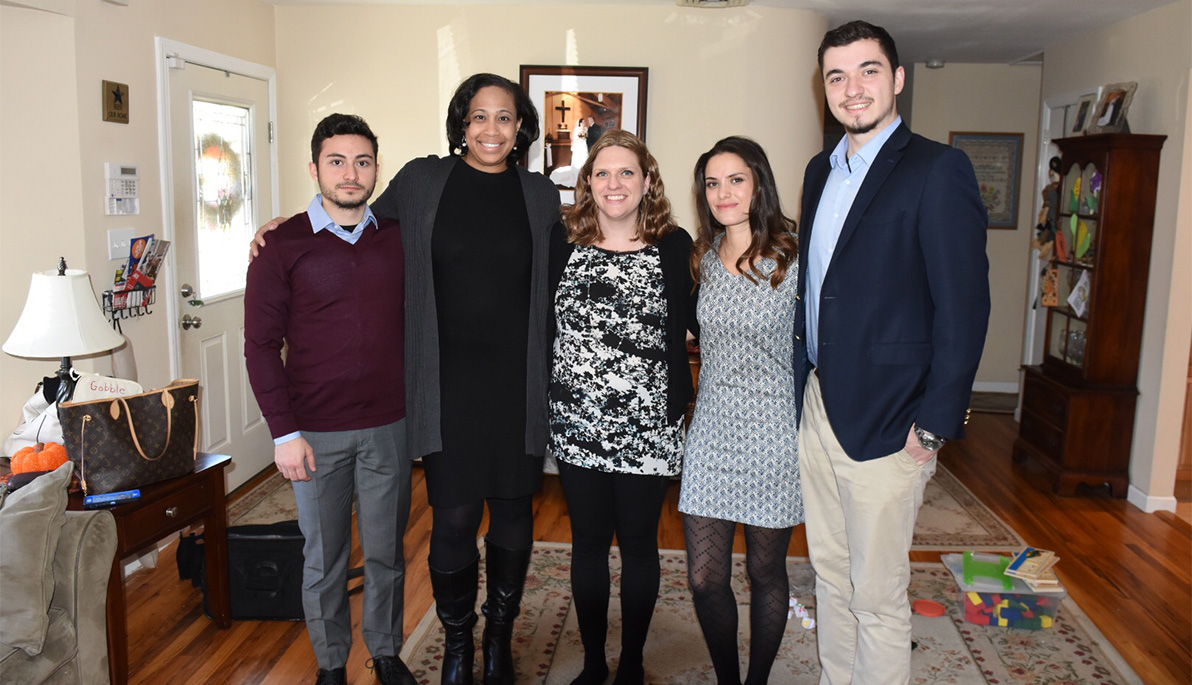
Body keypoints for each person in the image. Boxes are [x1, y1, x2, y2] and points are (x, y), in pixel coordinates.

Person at [253, 74, 560, 685]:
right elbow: (352, 214)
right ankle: (455, 646)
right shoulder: (423, 182)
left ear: (521, 126)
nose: (491, 129)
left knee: (514, 515)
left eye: (505, 118)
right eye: (478, 117)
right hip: (443, 389)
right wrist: (280, 226)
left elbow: (566, 273)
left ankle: (497, 642)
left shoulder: (540, 195)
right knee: (450, 520)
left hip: (517, 388)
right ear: (461, 124)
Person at [795, 21, 991, 685]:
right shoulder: (819, 171)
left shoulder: (939, 169)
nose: (854, 89)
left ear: (898, 78)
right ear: (824, 89)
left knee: (877, 595)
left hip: (891, 419)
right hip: (819, 404)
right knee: (830, 574)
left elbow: (966, 308)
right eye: (837, 76)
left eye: (868, 71)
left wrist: (935, 422)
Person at [244, 113, 416, 685]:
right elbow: (261, 346)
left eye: (362, 162)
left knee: (389, 552)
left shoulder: (396, 237)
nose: (350, 173)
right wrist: (283, 434)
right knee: (324, 560)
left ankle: (387, 653)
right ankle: (330, 666)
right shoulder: (281, 246)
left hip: (389, 425)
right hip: (314, 434)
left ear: (375, 170)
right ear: (314, 167)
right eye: (337, 161)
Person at [548, 130, 697, 685]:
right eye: (603, 173)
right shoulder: (561, 241)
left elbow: (708, 318)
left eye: (626, 172)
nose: (615, 184)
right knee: (587, 543)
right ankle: (592, 663)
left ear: (647, 181)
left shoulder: (676, 245)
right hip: (577, 422)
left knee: (637, 544)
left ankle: (631, 662)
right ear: (587, 182)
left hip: (649, 424)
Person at [678, 135, 801, 685]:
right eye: (712, 183)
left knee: (764, 569)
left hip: (774, 428)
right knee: (705, 577)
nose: (723, 193)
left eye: (735, 180)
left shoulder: (793, 258)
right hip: (711, 427)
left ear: (758, 184)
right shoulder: (701, 259)